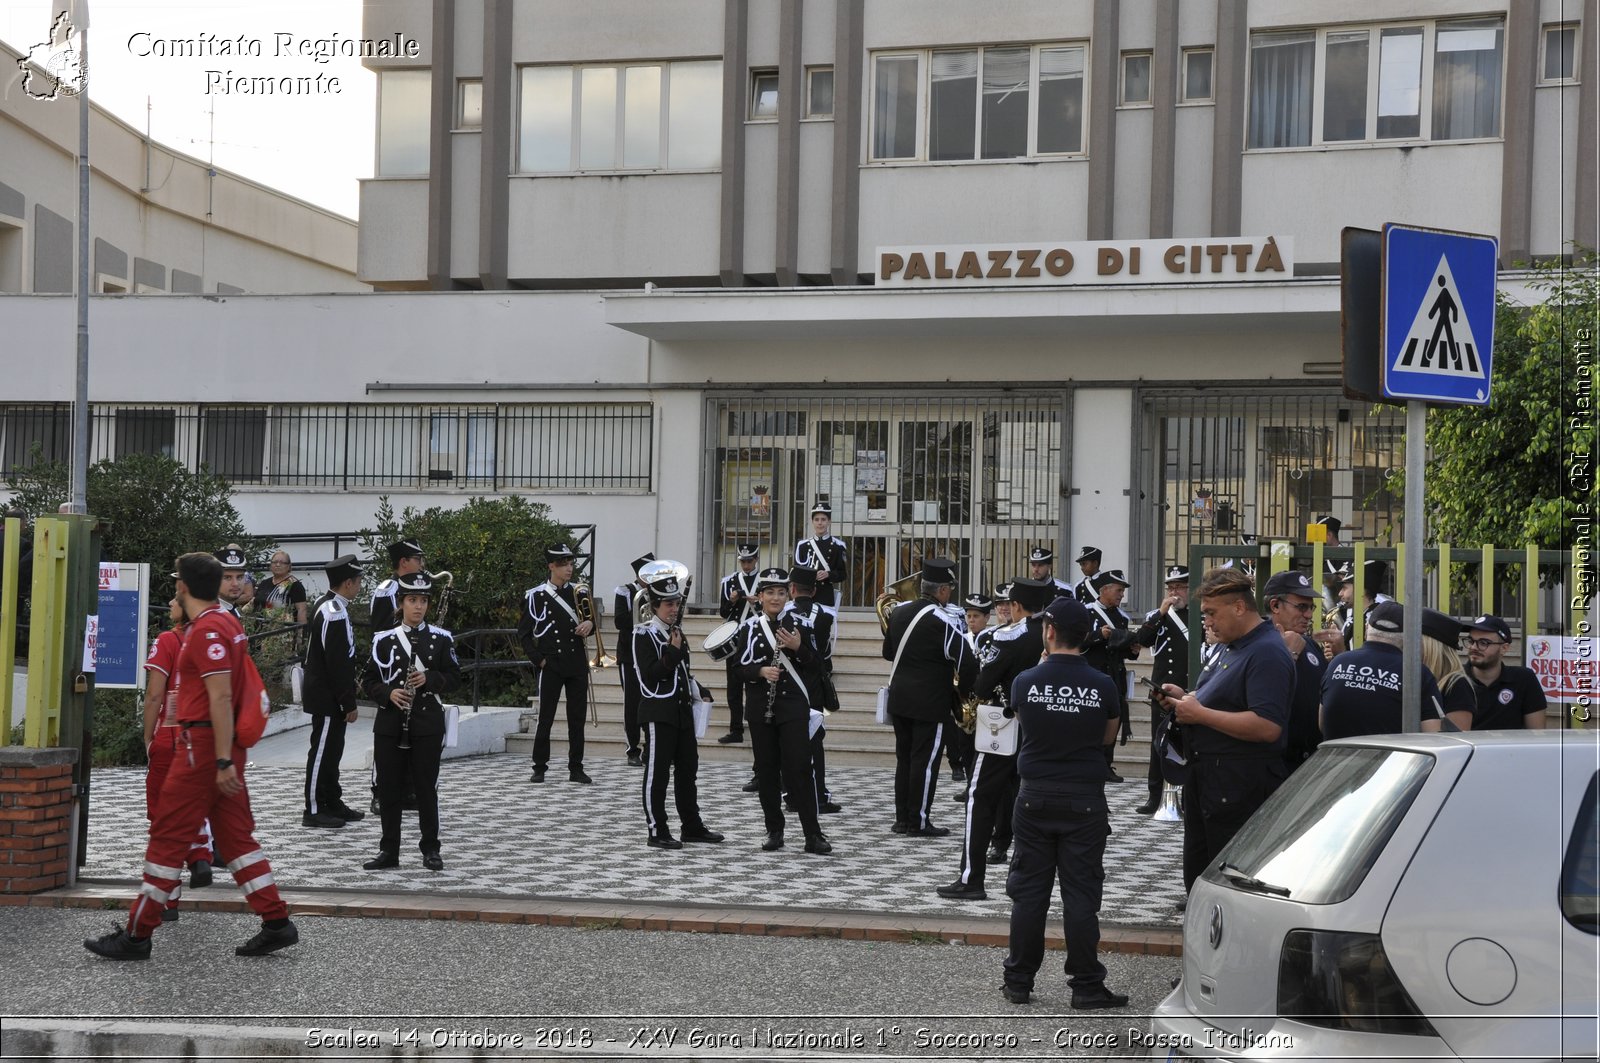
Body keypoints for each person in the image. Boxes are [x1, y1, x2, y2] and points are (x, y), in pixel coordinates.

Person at [85, 552, 298, 960]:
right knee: (236, 841)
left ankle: (136, 935)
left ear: (183, 586)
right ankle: (276, 922)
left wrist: (219, 761)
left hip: (203, 749)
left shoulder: (206, 631)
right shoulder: (226, 623)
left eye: (176, 582)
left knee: (167, 838)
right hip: (222, 746)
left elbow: (219, 695)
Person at [999, 596, 1128, 1010]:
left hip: (1034, 795)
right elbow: (1107, 739)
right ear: (1087, 636)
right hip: (1084, 799)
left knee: (1029, 893)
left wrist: (1042, 670)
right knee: (1080, 895)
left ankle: (1018, 982)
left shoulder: (1025, 681)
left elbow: (1024, 722)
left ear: (1049, 632)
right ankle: (1086, 986)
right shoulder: (1104, 684)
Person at [1158, 567, 1293, 893]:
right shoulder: (1231, 645)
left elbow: (1267, 726)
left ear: (1239, 607)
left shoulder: (1266, 652)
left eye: (1211, 613)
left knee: (1226, 884)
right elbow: (1222, 699)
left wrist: (1200, 713)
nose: (1206, 621)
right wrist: (1185, 699)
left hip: (1237, 784)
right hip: (1209, 779)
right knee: (1201, 877)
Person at [938, 577, 1051, 902]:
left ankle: (971, 878)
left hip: (1002, 725)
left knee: (979, 798)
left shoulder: (1007, 635)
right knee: (1027, 797)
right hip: (1039, 728)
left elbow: (984, 685)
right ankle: (1029, 878)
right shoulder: (1048, 632)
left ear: (1015, 606)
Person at [361, 571, 462, 871]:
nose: (418, 607)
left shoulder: (441, 639)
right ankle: (388, 850)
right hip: (391, 724)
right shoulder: (383, 639)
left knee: (426, 788)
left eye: (423, 601)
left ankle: (431, 849)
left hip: (427, 723)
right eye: (412, 600)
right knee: (389, 789)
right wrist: (388, 693)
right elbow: (367, 680)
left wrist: (429, 679)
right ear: (401, 603)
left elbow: (455, 677)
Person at [735, 567, 831, 855]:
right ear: (760, 597)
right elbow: (738, 669)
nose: (775, 598)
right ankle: (774, 830)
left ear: (789, 593)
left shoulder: (799, 623)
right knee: (766, 770)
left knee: (800, 768)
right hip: (760, 705)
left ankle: (812, 834)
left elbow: (818, 666)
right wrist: (760, 671)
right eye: (769, 593)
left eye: (780, 592)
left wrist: (799, 647)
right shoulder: (749, 628)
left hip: (793, 705)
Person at [881, 557, 978, 837]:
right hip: (930, 702)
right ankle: (919, 821)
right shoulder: (944, 620)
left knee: (906, 759)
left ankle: (902, 819)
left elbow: (888, 653)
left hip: (899, 697)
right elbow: (967, 661)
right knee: (925, 762)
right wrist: (963, 693)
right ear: (943, 590)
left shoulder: (898, 612)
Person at [633, 561, 724, 849]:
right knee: (657, 775)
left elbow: (684, 671)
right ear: (655, 605)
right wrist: (671, 653)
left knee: (688, 772)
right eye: (667, 604)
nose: (673, 608)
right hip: (659, 713)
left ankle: (691, 826)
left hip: (682, 711)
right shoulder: (643, 635)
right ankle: (656, 829)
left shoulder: (677, 632)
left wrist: (699, 689)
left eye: (676, 603)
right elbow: (648, 678)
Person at [141, 596, 213, 909]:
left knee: (161, 817)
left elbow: (155, 693)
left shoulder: (168, 640)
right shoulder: (214, 637)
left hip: (170, 739)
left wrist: (147, 738)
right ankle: (199, 854)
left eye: (176, 597)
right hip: (202, 739)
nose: (169, 601)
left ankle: (167, 898)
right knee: (193, 804)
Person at [519, 543, 594, 784]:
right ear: (551, 566)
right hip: (551, 663)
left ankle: (576, 767)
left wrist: (590, 626)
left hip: (576, 662)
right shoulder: (535, 595)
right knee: (546, 717)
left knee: (576, 717)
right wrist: (539, 660)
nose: (569, 569)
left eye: (571, 564)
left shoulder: (580, 592)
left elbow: (591, 623)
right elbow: (524, 634)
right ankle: (539, 766)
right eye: (563, 565)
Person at [301, 555, 366, 828]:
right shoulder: (333, 611)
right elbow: (337, 662)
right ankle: (314, 809)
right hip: (327, 695)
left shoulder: (331, 604)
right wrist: (347, 701)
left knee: (333, 750)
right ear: (348, 582)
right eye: (359, 581)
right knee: (322, 752)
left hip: (329, 693)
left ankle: (332, 801)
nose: (361, 585)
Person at [1320, 601, 1445, 739]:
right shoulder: (1417, 674)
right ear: (1408, 636)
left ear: (1367, 628)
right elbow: (1432, 736)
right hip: (1390, 760)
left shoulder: (1337, 663)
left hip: (1334, 758)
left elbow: (1321, 723)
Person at [1132, 565, 1191, 815]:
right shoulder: (1156, 616)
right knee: (1159, 743)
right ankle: (1154, 796)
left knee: (1189, 744)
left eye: (1178, 587)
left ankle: (1188, 798)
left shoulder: (1198, 615)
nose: (1174, 592)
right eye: (1170, 587)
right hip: (1162, 688)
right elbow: (1142, 641)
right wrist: (1161, 613)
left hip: (1189, 687)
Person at [782, 566, 841, 814]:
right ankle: (818, 795)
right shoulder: (827, 615)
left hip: (789, 682)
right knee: (814, 740)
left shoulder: (782, 614)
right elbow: (827, 652)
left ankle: (790, 794)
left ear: (791, 589)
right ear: (815, 590)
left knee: (788, 740)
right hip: (814, 682)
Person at [1261, 569, 1327, 772]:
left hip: (1313, 763)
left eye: (1311, 607)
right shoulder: (1257, 645)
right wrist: (1288, 654)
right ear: (1275, 605)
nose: (1308, 615)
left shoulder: (1310, 645)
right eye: (1301, 607)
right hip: (1276, 764)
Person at [1080, 569, 1138, 781]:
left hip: (1115, 675)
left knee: (1114, 717)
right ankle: (1090, 762)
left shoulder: (1121, 617)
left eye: (1122, 591)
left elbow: (1122, 649)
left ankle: (1106, 764)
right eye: (1119, 590)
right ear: (1104, 590)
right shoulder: (1086, 612)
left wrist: (1133, 651)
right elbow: (1076, 641)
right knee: (1092, 720)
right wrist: (1098, 635)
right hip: (1092, 674)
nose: (1122, 595)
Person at [1462, 614, 1548, 729]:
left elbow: (1537, 734)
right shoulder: (1456, 679)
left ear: (1504, 648)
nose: (1473, 647)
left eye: (1483, 643)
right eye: (1471, 641)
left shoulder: (1524, 680)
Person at [612, 553, 655, 766]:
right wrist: (642, 608)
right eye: (648, 574)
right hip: (629, 655)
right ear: (639, 575)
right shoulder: (625, 592)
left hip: (651, 654)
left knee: (653, 700)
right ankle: (632, 749)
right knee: (632, 703)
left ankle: (651, 747)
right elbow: (619, 621)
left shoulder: (660, 592)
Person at [946, 591, 994, 785]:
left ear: (987, 618)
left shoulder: (993, 637)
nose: (971, 621)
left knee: (981, 748)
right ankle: (968, 784)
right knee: (964, 746)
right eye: (969, 616)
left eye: (976, 616)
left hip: (984, 701)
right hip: (963, 702)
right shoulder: (960, 638)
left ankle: (978, 785)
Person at [716, 544, 761, 744]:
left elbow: (774, 609)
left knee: (756, 683)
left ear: (756, 559)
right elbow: (723, 613)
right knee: (733, 686)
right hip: (735, 638)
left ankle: (758, 725)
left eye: (749, 561)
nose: (746, 565)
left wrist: (757, 603)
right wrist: (733, 601)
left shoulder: (764, 580)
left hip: (756, 637)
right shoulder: (729, 581)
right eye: (743, 561)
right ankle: (736, 729)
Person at [1419, 609, 1476, 731]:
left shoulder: (1457, 685)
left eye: (1417, 641)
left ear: (1432, 646)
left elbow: (1457, 742)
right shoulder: (1421, 679)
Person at [793, 500, 848, 617]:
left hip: (825, 595)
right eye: (816, 520)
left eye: (823, 519)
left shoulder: (838, 546)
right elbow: (797, 573)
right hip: (805, 595)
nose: (820, 523)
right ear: (812, 522)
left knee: (822, 628)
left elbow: (842, 574)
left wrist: (828, 575)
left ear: (829, 521)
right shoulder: (802, 545)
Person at [370, 539, 424, 635]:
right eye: (417, 559)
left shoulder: (411, 587)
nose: (422, 565)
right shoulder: (387, 591)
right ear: (403, 562)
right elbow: (381, 633)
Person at [252, 550, 308, 626]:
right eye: (275, 562)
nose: (278, 564)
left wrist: (300, 634)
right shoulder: (264, 583)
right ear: (271, 565)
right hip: (259, 631)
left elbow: (301, 610)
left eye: (282, 562)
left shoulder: (295, 585)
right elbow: (254, 604)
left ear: (288, 566)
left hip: (282, 632)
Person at [215, 545, 252, 617]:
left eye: (239, 577)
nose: (235, 584)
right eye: (227, 577)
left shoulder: (231, 609)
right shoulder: (213, 616)